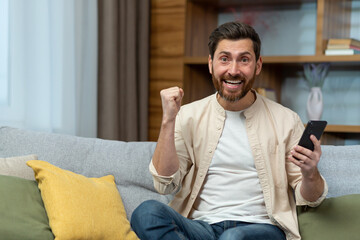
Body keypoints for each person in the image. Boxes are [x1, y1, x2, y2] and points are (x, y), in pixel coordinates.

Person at [131, 21, 328, 240]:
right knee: (146, 213)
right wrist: (168, 120)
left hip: (260, 228)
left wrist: (310, 173)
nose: (233, 71)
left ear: (258, 65)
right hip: (202, 227)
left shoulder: (286, 120)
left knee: (233, 238)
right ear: (210, 64)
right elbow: (165, 185)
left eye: (244, 60)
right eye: (224, 59)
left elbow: (311, 199)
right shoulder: (186, 116)